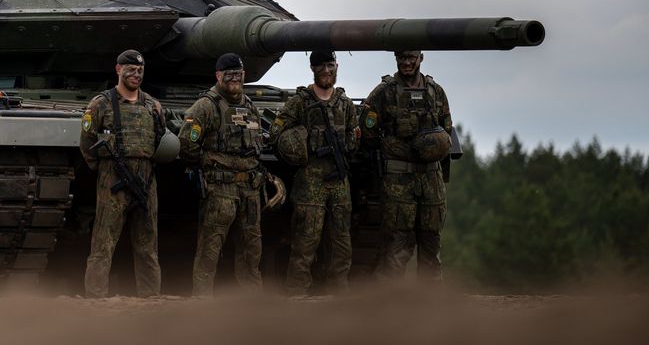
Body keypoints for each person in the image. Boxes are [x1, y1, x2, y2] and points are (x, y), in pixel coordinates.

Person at [179, 52, 285, 296]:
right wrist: (209, 166)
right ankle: (202, 302)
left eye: (238, 74)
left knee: (251, 251)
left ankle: (249, 305)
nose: (234, 79)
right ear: (218, 76)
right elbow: (187, 143)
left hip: (249, 192)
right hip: (220, 191)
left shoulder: (249, 107)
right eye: (229, 75)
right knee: (210, 250)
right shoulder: (206, 106)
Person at [79, 49, 165, 298]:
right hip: (113, 177)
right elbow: (87, 143)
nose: (135, 74)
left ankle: (150, 298)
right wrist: (104, 170)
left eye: (140, 70)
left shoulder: (153, 105)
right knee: (103, 245)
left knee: (148, 246)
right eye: (130, 69)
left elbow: (161, 137)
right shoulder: (100, 104)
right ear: (118, 70)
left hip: (146, 179)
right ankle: (95, 297)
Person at [272, 48, 359, 294]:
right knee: (305, 242)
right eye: (321, 66)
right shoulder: (299, 103)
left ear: (336, 67)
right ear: (312, 69)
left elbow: (355, 136)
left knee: (341, 243)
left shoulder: (345, 105)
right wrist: (301, 143)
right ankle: (297, 292)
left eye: (330, 65)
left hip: (339, 182)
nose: (326, 71)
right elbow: (277, 134)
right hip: (310, 182)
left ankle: (337, 293)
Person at [361, 50, 453, 280]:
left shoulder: (436, 91)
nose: (407, 63)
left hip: (431, 178)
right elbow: (368, 132)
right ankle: (393, 302)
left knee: (431, 239)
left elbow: (446, 128)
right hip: (398, 180)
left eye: (411, 57)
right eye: (402, 58)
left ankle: (431, 301)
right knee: (397, 243)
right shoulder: (384, 92)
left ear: (421, 57)